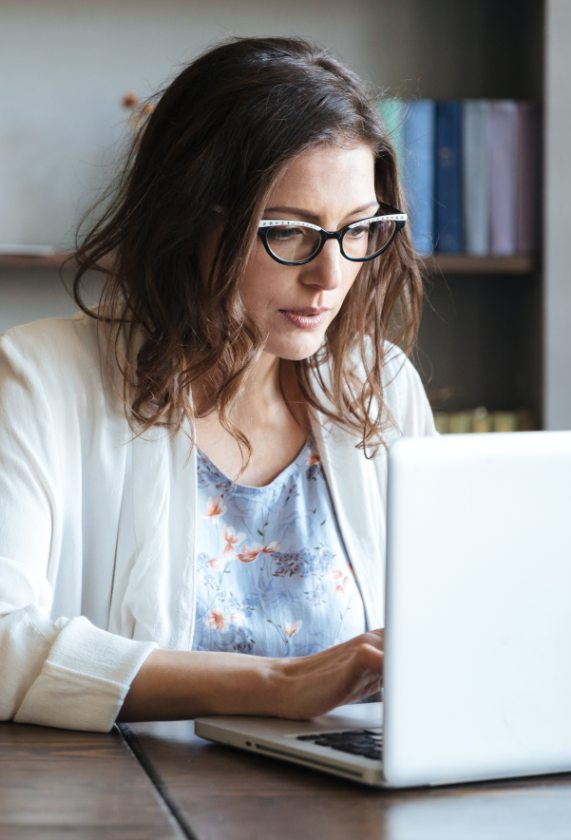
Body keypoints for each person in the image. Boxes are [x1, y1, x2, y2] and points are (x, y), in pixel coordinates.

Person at [0, 37, 435, 733]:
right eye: (289, 233)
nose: (329, 277)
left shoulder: (382, 386)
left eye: (357, 230)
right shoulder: (38, 378)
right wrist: (276, 683)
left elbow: (445, 630)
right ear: (189, 220)